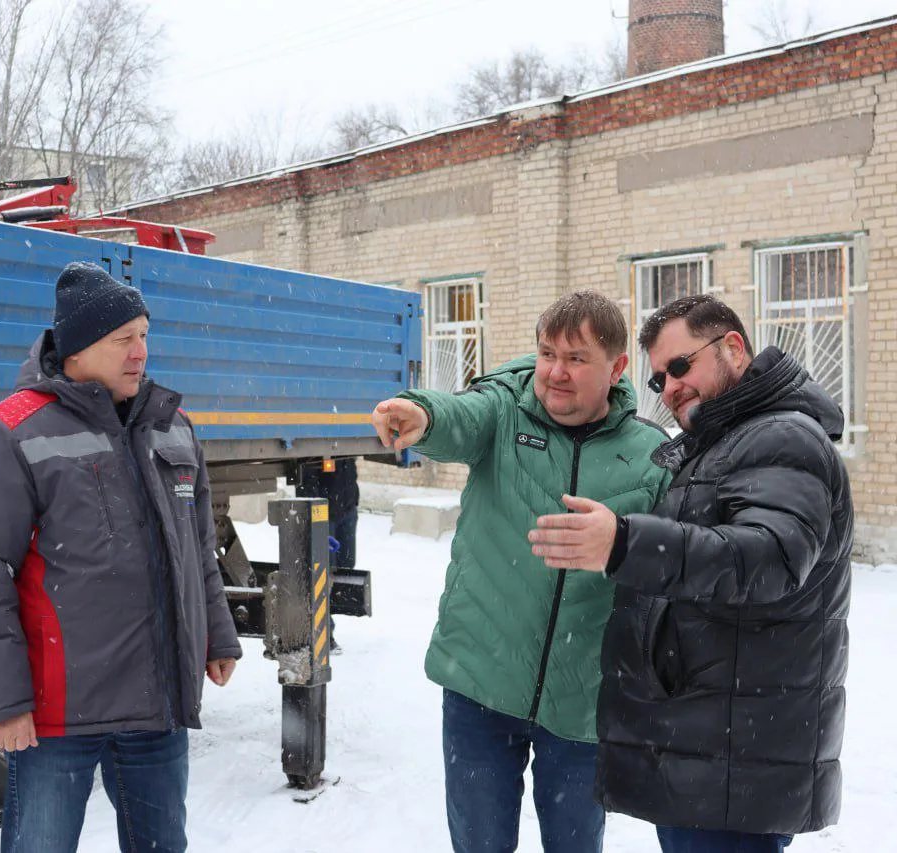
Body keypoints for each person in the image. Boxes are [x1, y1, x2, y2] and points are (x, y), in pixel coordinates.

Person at [528, 295, 853, 853]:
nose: (671, 388)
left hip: (733, 764)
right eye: (659, 380)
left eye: (681, 366)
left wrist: (624, 544)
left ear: (733, 347)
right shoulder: (729, 441)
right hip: (713, 755)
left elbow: (769, 559)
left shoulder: (782, 437)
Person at [0, 261, 242, 853]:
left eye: (144, 335)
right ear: (78, 349)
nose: (140, 352)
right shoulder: (11, 432)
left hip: (156, 705)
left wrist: (217, 635)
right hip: (58, 715)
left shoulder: (173, 427)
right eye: (123, 339)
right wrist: (2, 703)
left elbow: (195, 547)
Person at [371, 290, 671, 853]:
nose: (556, 372)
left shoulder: (650, 455)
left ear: (616, 369)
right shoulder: (504, 413)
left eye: (577, 358)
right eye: (547, 354)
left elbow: (673, 563)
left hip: (582, 701)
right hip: (480, 686)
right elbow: (458, 417)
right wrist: (422, 414)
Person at [296, 457, 359, 651]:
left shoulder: (347, 444)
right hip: (324, 512)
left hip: (347, 509)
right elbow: (306, 477)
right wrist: (314, 513)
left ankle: (324, 622)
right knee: (322, 572)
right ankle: (323, 632)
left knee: (346, 565)